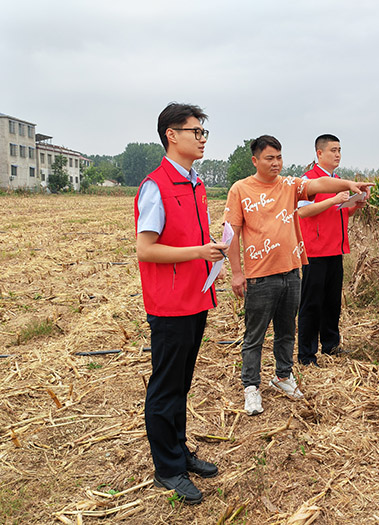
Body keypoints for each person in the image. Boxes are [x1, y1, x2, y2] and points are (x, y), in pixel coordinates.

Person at [224, 135, 373, 416]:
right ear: (255, 160)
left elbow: (319, 184)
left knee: (286, 332)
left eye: (279, 157)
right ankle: (251, 387)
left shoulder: (290, 185)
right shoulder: (240, 189)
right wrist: (236, 272)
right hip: (259, 275)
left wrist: (348, 185)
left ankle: (283, 376)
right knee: (254, 336)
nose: (276, 163)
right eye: (270, 158)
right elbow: (231, 234)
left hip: (291, 271)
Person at [135, 103, 229, 505]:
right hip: (170, 303)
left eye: (204, 132)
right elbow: (146, 249)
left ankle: (179, 449)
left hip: (195, 297)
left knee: (182, 383)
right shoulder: (156, 185)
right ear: (172, 135)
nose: (202, 139)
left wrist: (212, 258)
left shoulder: (195, 183)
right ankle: (168, 468)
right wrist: (198, 252)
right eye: (197, 131)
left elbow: (190, 237)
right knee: (165, 386)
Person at [297, 134, 368, 366]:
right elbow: (303, 212)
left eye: (339, 150)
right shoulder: (308, 181)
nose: (337, 154)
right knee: (311, 303)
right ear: (319, 153)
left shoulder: (337, 180)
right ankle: (307, 354)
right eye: (333, 150)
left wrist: (354, 205)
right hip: (315, 250)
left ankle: (330, 345)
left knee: (332, 301)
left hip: (336, 249)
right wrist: (334, 198)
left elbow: (340, 212)